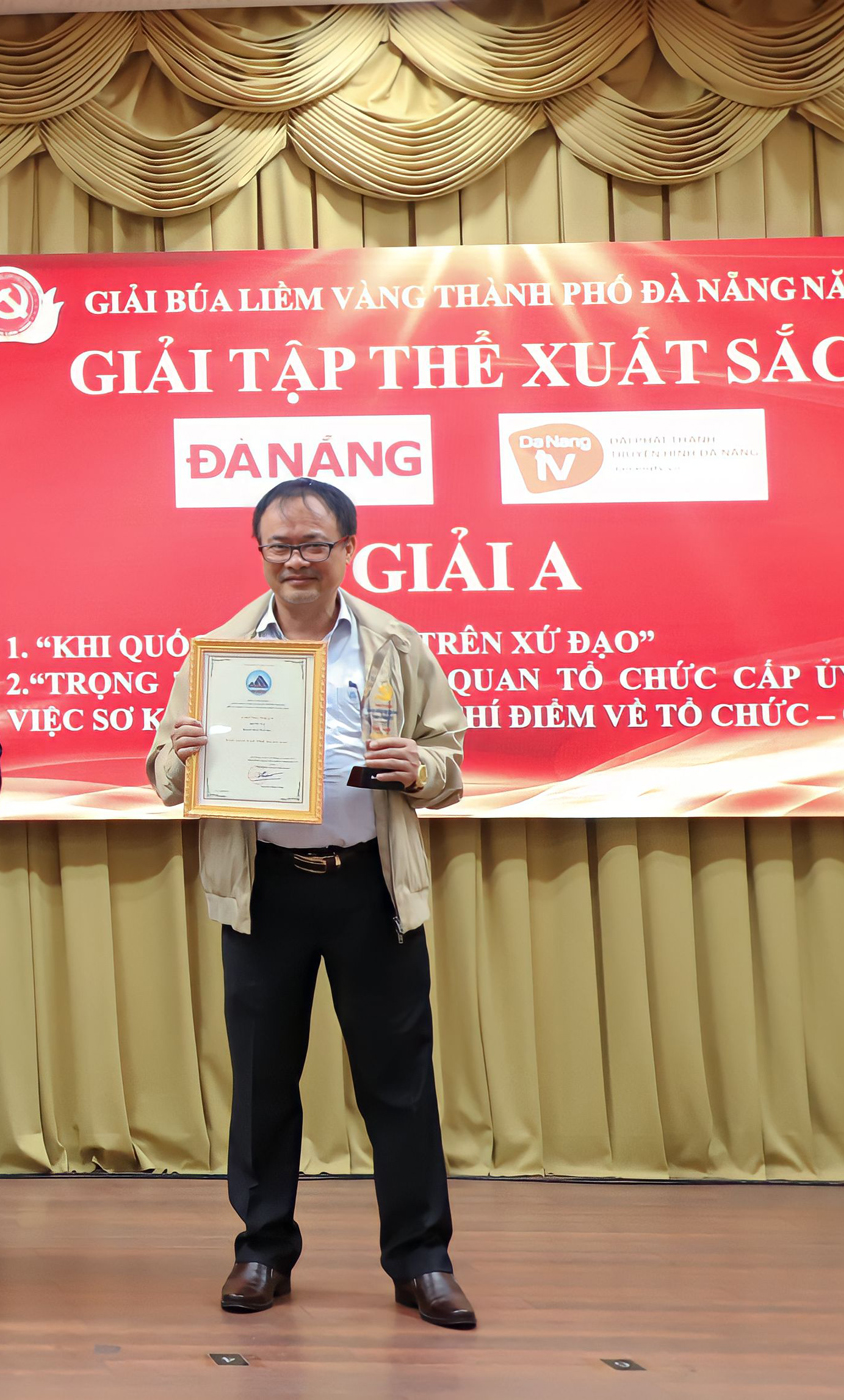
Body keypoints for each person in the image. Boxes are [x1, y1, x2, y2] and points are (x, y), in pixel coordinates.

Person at [147, 478, 476, 1330]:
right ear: (259, 554)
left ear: (347, 551)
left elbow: (450, 762)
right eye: (280, 546)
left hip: (372, 888)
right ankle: (261, 1251)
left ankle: (422, 1261)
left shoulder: (395, 643)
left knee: (397, 1084)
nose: (297, 560)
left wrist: (421, 768)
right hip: (265, 892)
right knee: (262, 1082)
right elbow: (160, 772)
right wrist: (180, 756)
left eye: (314, 545)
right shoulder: (216, 650)